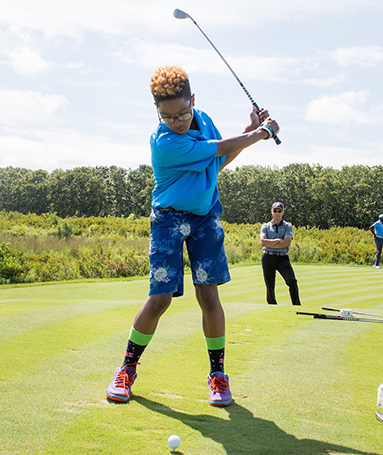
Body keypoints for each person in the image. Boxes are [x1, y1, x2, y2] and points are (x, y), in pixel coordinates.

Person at [106, 66, 279, 407]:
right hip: (169, 219)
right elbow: (218, 149)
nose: (178, 122)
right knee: (160, 298)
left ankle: (218, 375)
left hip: (205, 217)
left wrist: (249, 131)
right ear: (157, 112)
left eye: (183, 113)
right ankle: (127, 369)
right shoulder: (164, 141)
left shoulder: (204, 120)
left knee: (209, 295)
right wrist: (260, 132)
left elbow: (219, 159)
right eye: (168, 116)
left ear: (193, 102)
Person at [260, 202, 301, 306]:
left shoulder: (287, 226)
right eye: (275, 211)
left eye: (279, 211)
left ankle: (296, 305)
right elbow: (263, 242)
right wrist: (278, 240)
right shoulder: (265, 226)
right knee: (270, 285)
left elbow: (287, 242)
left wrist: (271, 243)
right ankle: (272, 306)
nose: (277, 213)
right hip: (268, 257)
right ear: (271, 212)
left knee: (292, 281)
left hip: (282, 258)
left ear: (283, 212)